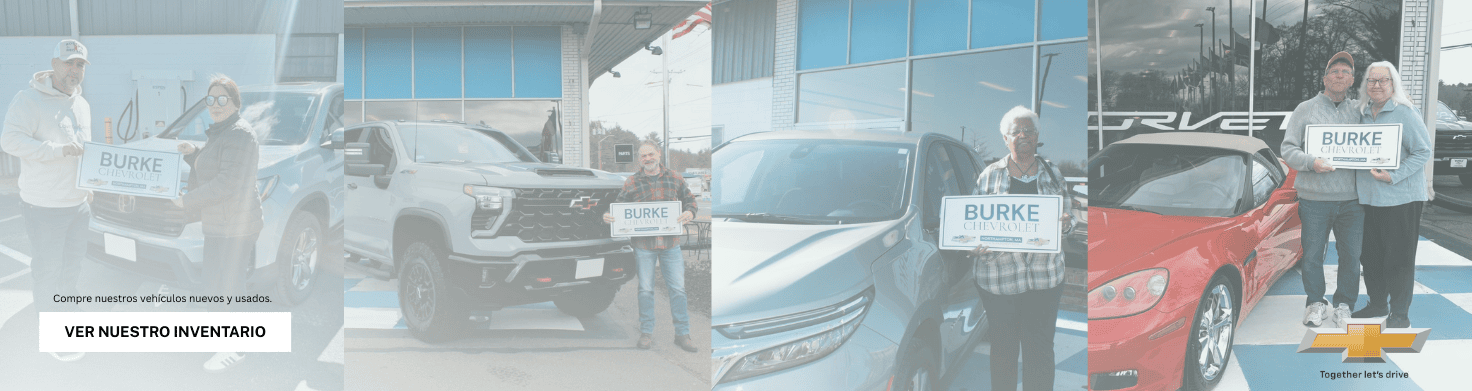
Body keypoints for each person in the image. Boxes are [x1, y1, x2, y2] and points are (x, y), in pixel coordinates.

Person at [969, 106, 1074, 391]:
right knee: (1003, 350)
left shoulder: (1053, 173)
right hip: (999, 280)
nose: (1023, 135)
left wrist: (1064, 223)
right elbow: (972, 224)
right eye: (1016, 131)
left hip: (1045, 280)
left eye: (1029, 131)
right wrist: (972, 244)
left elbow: (1070, 217)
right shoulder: (988, 176)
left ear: (1037, 136)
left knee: (1040, 351)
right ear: (1005, 138)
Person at [0, 39, 92, 362]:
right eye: (69, 63)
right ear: (54, 64)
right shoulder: (28, 100)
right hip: (44, 208)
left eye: (80, 65)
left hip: (78, 206)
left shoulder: (82, 105)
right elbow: (9, 139)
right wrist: (55, 152)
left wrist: (91, 182)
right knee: (49, 272)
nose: (74, 70)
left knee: (71, 271)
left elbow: (86, 151)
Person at [173, 75, 264, 372]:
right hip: (221, 223)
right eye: (210, 100)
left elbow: (228, 182)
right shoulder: (223, 132)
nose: (215, 105)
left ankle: (234, 348)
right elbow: (219, 166)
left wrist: (187, 201)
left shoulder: (238, 133)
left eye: (222, 99)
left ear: (235, 103)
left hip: (234, 227)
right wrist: (194, 155)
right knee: (215, 282)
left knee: (229, 285)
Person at [1280, 51, 1364, 329]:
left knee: (1351, 256)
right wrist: (1310, 163)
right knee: (1313, 254)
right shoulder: (1306, 108)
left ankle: (1344, 306)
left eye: (1346, 72)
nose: (1340, 76)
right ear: (1325, 78)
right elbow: (1288, 148)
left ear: (1352, 80)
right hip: (1314, 199)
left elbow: (1375, 146)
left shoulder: (1360, 111)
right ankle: (1315, 302)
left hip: (1352, 200)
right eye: (1335, 71)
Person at [1349, 61, 1431, 329]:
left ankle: (1399, 313)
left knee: (1399, 258)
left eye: (1382, 80)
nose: (1376, 85)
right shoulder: (1360, 113)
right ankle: (1377, 304)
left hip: (1401, 199)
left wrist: (1394, 175)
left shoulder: (1405, 113)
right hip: (1368, 198)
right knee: (1370, 256)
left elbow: (1423, 151)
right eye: (1371, 81)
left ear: (1393, 84)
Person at [602, 143, 699, 352]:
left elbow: (690, 201)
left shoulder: (674, 177)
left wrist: (690, 213)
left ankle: (682, 334)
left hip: (670, 245)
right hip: (644, 246)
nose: (647, 158)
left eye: (650, 154)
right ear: (639, 160)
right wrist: (610, 217)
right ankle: (646, 333)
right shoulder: (632, 182)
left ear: (659, 155)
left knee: (678, 290)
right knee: (645, 290)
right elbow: (619, 207)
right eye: (643, 156)